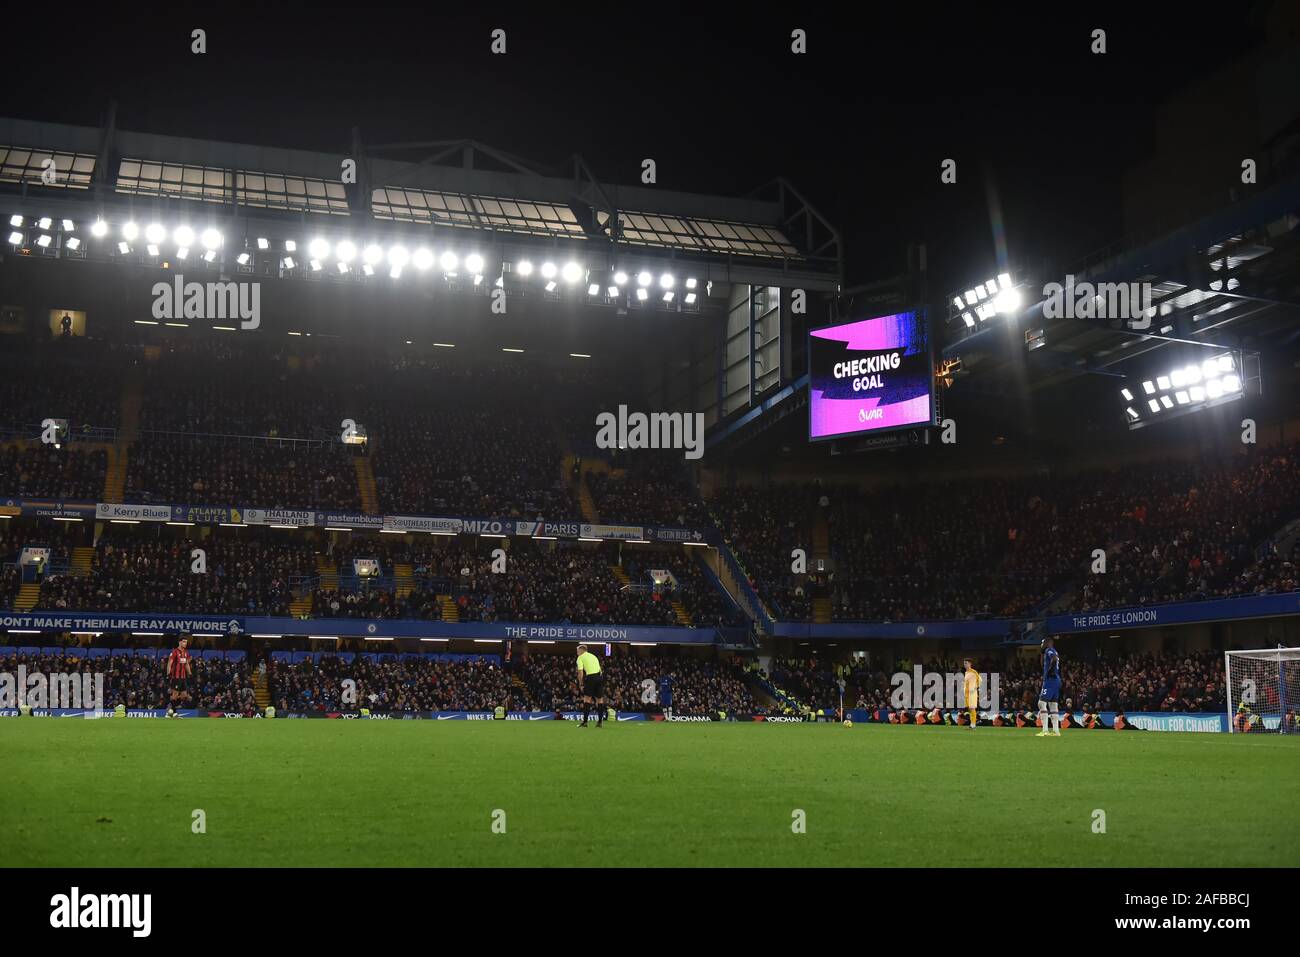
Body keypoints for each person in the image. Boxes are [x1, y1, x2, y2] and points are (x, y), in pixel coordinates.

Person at [1036, 637, 1062, 737]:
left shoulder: (1049, 650)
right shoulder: (1054, 651)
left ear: (1047, 643)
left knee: (1041, 703)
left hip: (1050, 680)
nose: (1041, 645)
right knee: (1053, 705)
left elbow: (1054, 659)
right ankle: (1056, 731)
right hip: (1056, 680)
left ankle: (1045, 730)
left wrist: (1050, 671)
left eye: (1042, 643)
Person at [575, 643, 605, 728]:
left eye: (577, 651)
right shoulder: (593, 656)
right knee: (600, 700)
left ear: (581, 651)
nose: (577, 653)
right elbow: (600, 669)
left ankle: (585, 722)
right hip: (599, 676)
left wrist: (581, 683)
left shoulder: (580, 658)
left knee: (587, 699)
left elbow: (580, 672)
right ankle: (599, 722)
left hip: (591, 677)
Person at [166, 637, 193, 716]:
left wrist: (190, 673)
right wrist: (168, 674)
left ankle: (171, 708)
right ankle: (172, 712)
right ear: (180, 642)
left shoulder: (185, 652)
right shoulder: (174, 652)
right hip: (176, 677)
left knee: (184, 695)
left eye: (186, 642)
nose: (185, 643)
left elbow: (186, 664)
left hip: (183, 677)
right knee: (175, 695)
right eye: (184, 642)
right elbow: (169, 663)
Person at [962, 658, 980, 730]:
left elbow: (979, 681)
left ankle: (973, 725)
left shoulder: (973, 672)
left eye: (966, 663)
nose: (964, 665)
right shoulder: (966, 673)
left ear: (970, 664)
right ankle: (971, 724)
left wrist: (974, 688)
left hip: (972, 693)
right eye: (964, 663)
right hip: (967, 694)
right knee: (970, 709)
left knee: (972, 708)